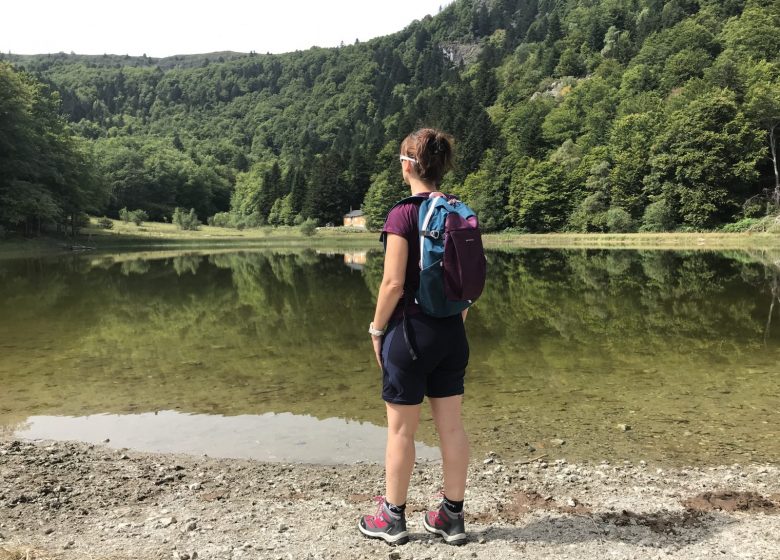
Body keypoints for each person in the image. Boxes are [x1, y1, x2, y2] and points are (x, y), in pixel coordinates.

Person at [358, 128, 470, 546]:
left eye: (400, 160)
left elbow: (391, 284)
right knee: (452, 429)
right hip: (452, 332)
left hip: (410, 333)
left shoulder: (403, 214)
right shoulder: (459, 211)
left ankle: (391, 519)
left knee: (401, 431)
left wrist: (375, 330)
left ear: (408, 165)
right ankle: (451, 518)